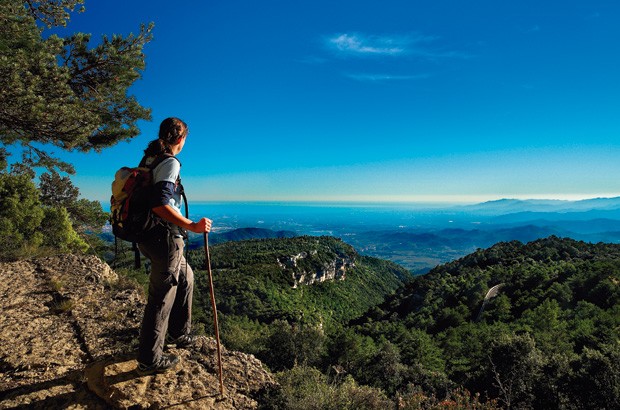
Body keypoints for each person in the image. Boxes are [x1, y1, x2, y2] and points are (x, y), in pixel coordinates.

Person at [136, 117, 212, 375]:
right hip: (164, 238)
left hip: (148, 236)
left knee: (187, 277)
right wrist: (192, 225)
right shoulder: (170, 162)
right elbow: (160, 204)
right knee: (161, 297)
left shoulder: (149, 160)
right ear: (180, 139)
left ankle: (179, 334)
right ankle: (149, 359)